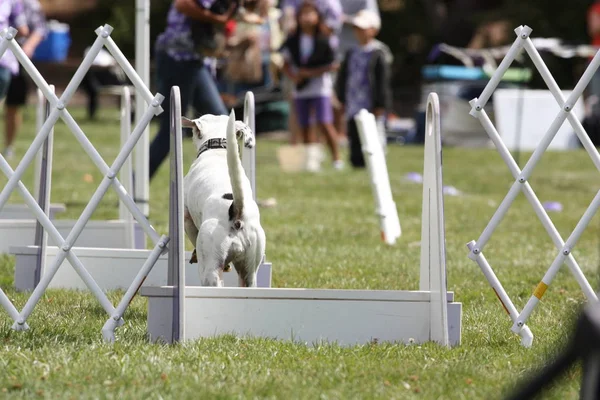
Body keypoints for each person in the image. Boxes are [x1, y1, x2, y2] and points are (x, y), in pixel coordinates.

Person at [149, 0, 235, 179]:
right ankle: (133, 190)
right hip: (176, 58)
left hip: (195, 60)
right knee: (170, 133)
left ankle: (235, 191)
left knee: (222, 121)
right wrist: (215, 18)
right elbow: (181, 4)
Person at [280, 0, 342, 172]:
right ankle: (310, 160)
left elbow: (333, 64)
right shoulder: (293, 40)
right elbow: (284, 63)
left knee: (324, 122)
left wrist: (309, 73)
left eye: (310, 14)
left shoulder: (324, 39)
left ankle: (336, 158)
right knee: (304, 124)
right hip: (300, 89)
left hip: (320, 87)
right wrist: (294, 76)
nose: (307, 18)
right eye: (303, 14)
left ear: (318, 16)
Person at [335, 9, 392, 168]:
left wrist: (381, 103)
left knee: (374, 134)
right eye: (357, 29)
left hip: (370, 102)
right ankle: (356, 162)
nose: (359, 32)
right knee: (354, 134)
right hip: (353, 102)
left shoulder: (378, 53)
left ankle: (376, 163)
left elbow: (382, 81)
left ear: (373, 30)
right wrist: (341, 98)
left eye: (363, 28)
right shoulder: (351, 53)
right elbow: (343, 77)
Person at [0, 0, 28, 158]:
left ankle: (9, 147)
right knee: (12, 108)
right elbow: (23, 29)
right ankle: (8, 147)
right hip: (7, 62)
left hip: (6, 62)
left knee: (12, 107)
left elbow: (23, 29)